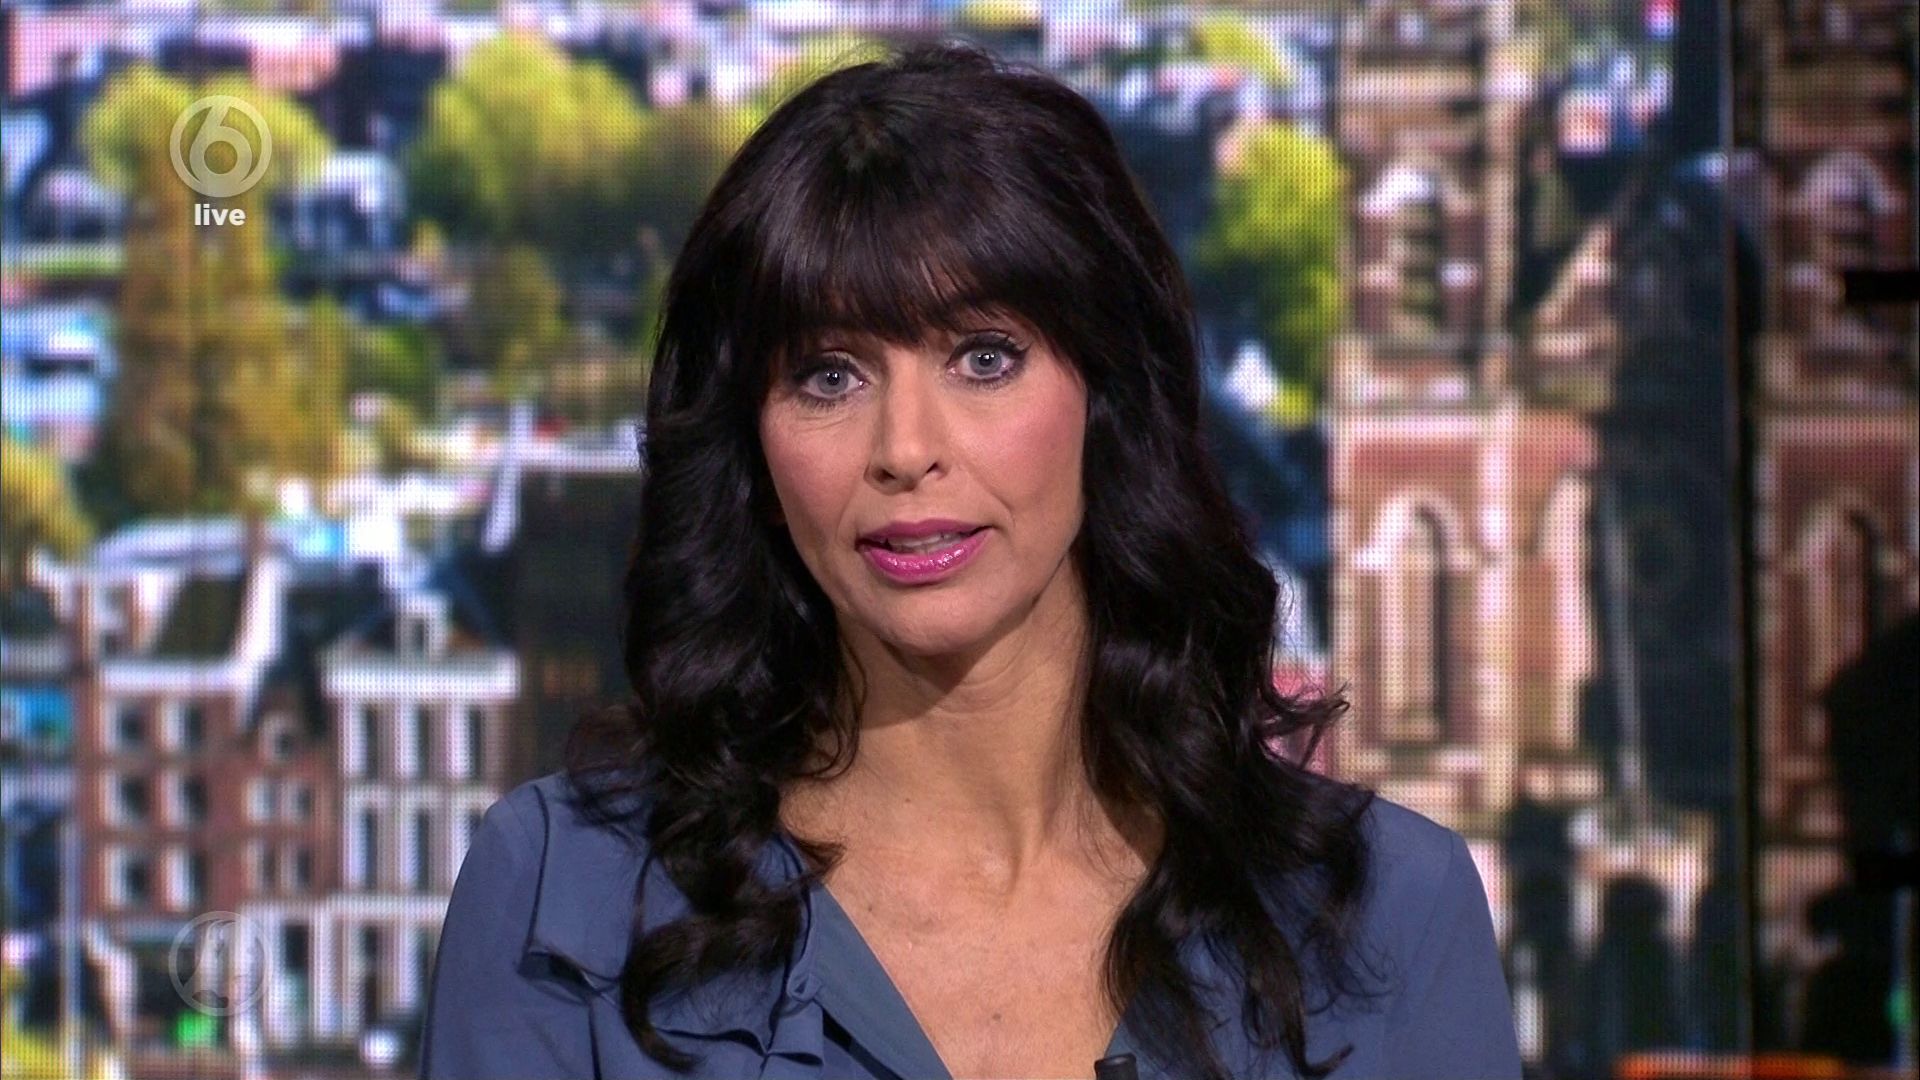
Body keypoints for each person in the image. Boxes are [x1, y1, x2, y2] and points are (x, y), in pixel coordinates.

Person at [418, 40, 1522, 1080]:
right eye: (829, 376)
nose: (906, 450)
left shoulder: (1387, 919)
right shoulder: (561, 903)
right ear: (751, 446)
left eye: (984, 358)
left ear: (1106, 397)